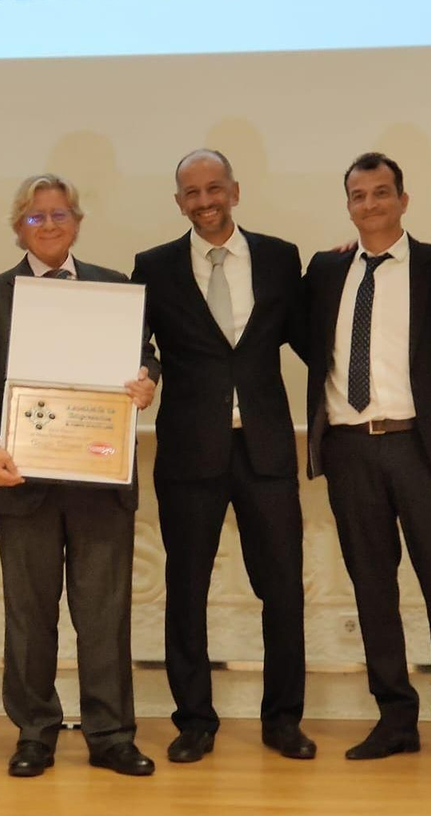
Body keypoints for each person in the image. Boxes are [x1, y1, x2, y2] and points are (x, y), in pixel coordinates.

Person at [0, 174, 159, 778]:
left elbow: (145, 356)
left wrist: (147, 380)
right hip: (20, 477)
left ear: (78, 222)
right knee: (29, 617)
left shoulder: (115, 288)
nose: (48, 224)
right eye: (35, 216)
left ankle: (111, 736)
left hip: (100, 476)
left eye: (59, 214)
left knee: (104, 615)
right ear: (18, 228)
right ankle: (34, 734)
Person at [297, 152, 431, 767]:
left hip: (422, 448)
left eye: (382, 193)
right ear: (348, 206)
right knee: (372, 589)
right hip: (350, 449)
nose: (371, 204)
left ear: (403, 200)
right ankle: (395, 717)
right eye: (359, 195)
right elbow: (305, 338)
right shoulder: (326, 270)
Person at [131, 149, 313, 763]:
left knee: (283, 590)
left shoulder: (281, 258)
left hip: (265, 450)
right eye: (192, 193)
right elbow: (138, 347)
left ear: (235, 190)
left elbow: (312, 337)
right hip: (188, 453)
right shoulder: (153, 267)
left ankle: (283, 720)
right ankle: (194, 722)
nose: (205, 201)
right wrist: (144, 375)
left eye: (214, 189)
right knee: (186, 591)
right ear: (178, 201)